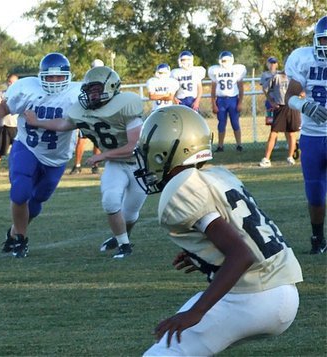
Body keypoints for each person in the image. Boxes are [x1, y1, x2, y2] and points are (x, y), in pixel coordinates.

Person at [133, 105, 303, 356]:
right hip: (284, 290)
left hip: (255, 296)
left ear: (165, 152)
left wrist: (197, 313)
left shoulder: (183, 187)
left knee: (164, 352)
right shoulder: (217, 175)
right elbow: (239, 237)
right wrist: (209, 256)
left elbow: (241, 254)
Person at [24, 66, 147, 259]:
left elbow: (133, 146)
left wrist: (102, 156)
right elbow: (64, 124)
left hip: (139, 164)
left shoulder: (126, 104)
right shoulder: (81, 110)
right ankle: (124, 244)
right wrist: (38, 122)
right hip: (115, 164)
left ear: (111, 87)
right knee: (110, 200)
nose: (92, 94)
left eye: (97, 89)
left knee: (130, 214)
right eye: (90, 90)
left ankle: (122, 235)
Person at [0, 53, 78, 258]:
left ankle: (14, 233)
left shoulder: (76, 94)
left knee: (37, 203)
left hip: (57, 157)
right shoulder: (27, 88)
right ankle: (21, 239)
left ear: (68, 76)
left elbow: (71, 124)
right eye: (50, 77)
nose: (55, 81)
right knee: (20, 192)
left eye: (59, 77)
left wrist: (38, 121)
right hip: (27, 147)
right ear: (41, 76)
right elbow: (3, 107)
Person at [283, 15, 327, 254]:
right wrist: (305, 106)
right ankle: (318, 238)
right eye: (325, 40)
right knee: (315, 193)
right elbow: (289, 97)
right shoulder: (303, 58)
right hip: (311, 137)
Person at [259, 57, 301, 167]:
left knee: (292, 133)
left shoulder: (295, 78)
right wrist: (271, 101)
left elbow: (302, 92)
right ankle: (267, 158)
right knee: (273, 133)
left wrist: (299, 97)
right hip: (280, 107)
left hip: (292, 107)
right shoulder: (277, 77)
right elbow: (265, 88)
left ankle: (290, 157)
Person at [69, 58, 104, 175]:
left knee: (98, 140)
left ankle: (95, 165)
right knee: (82, 139)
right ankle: (77, 165)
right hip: (88, 113)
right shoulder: (87, 80)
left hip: (100, 113)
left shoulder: (106, 80)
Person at [208, 51, 247, 152]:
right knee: (221, 123)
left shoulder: (237, 70)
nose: (226, 62)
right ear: (220, 61)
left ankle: (239, 144)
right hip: (221, 100)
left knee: (235, 122)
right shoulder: (215, 70)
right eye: (224, 60)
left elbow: (241, 87)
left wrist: (240, 102)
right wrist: (213, 104)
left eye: (228, 60)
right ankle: (220, 146)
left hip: (233, 99)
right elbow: (213, 89)